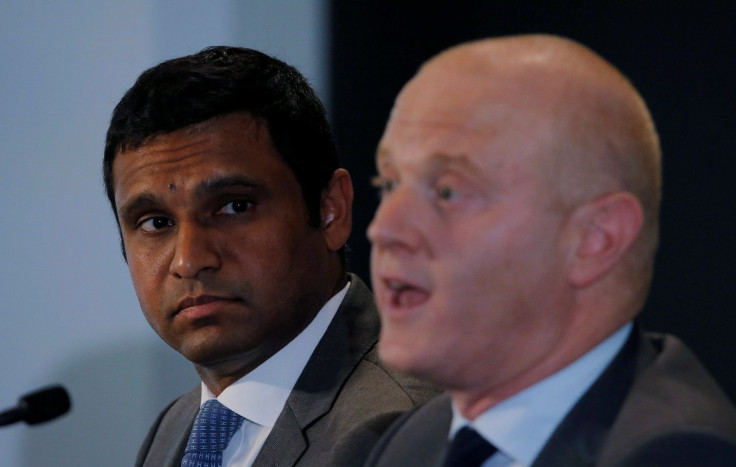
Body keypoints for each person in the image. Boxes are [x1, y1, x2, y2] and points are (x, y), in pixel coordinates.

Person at [365, 34, 736, 466]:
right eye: (390, 184)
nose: (384, 228)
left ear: (595, 240)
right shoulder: (414, 441)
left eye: (448, 191)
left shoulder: (677, 455)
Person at [103, 46, 437, 467]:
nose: (188, 261)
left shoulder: (409, 430)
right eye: (155, 223)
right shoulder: (178, 426)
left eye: (234, 207)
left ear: (331, 210)